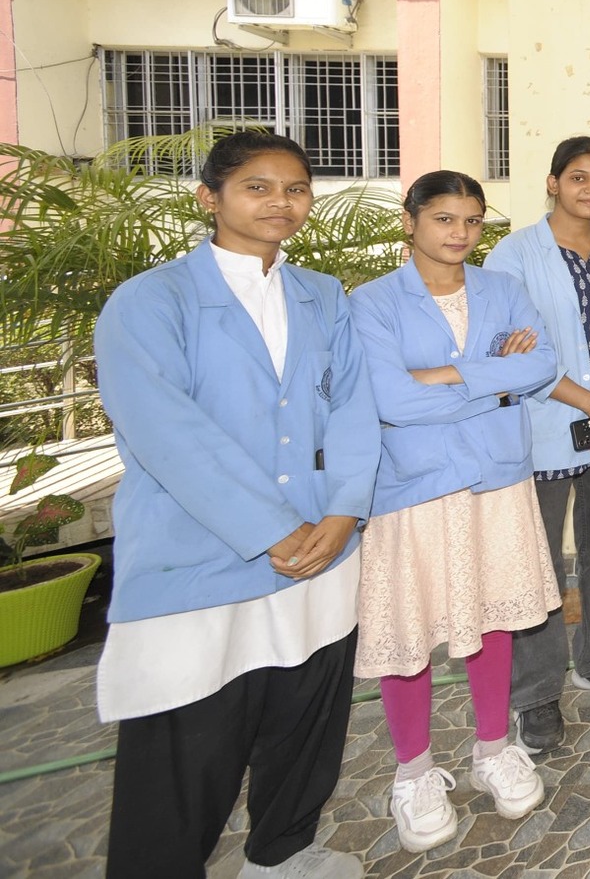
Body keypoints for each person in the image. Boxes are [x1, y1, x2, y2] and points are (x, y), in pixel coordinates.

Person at [93, 131, 380, 879]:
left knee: (305, 714)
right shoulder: (151, 302)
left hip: (321, 547)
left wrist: (345, 511)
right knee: (188, 743)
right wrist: (271, 528)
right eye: (258, 186)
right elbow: (167, 431)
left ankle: (282, 854)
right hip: (201, 553)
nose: (280, 202)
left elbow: (354, 409)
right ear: (209, 197)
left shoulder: (322, 296)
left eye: (295, 188)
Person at [350, 171, 562, 852]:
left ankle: (493, 747)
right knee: (409, 627)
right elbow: (390, 400)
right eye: (444, 218)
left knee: (494, 612)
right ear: (409, 220)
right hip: (416, 484)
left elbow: (542, 363)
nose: (460, 233)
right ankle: (413, 772)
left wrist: (445, 377)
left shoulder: (502, 289)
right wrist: (494, 384)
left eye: (472, 220)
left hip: (496, 476)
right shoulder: (372, 302)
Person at [484, 137, 590, 753]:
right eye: (579, 177)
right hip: (545, 431)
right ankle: (536, 692)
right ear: (553, 183)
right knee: (540, 563)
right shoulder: (515, 255)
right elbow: (511, 350)